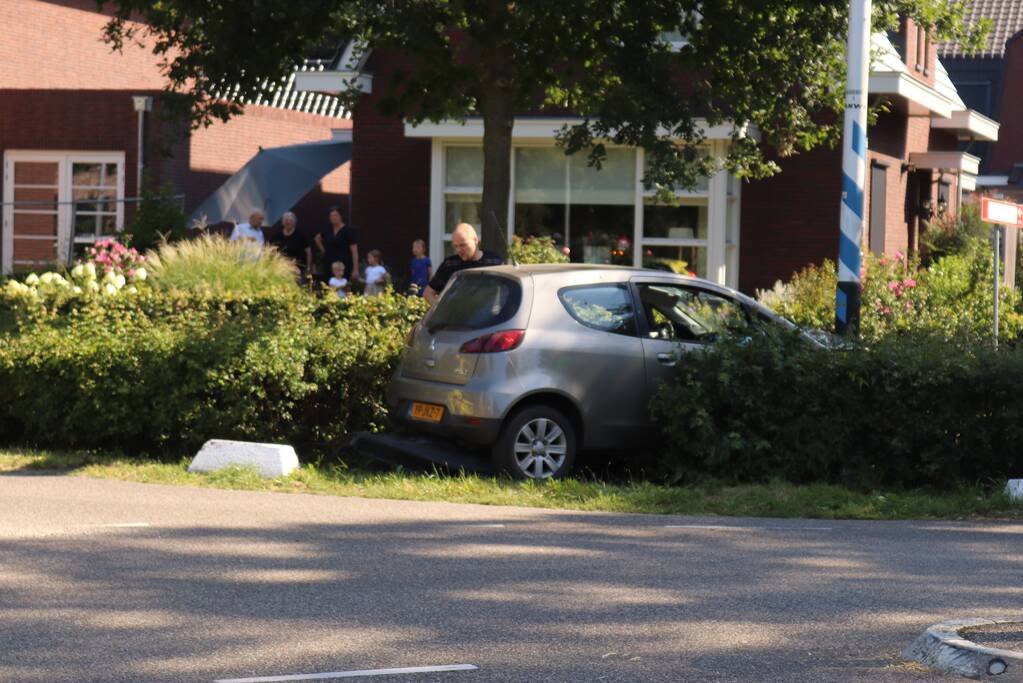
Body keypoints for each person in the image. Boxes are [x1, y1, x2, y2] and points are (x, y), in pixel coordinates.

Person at [424, 222, 504, 305]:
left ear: (475, 240)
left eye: (463, 245)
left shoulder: (494, 262)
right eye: (455, 246)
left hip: (488, 315)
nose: (458, 250)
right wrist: (443, 311)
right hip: (458, 316)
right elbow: (428, 293)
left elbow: (507, 291)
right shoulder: (450, 264)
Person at [314, 206, 358, 285]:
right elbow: (317, 238)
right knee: (329, 286)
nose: (333, 218)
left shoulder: (348, 231)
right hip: (329, 264)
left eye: (336, 215)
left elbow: (354, 251)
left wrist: (355, 269)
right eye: (331, 216)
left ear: (341, 216)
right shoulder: (328, 230)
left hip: (343, 265)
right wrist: (324, 251)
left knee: (342, 288)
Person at [267, 211, 312, 280]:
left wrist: (308, 267)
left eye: (290, 220)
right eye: (286, 220)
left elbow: (308, 251)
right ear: (283, 222)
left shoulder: (300, 235)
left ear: (294, 223)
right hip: (280, 269)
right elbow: (270, 249)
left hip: (296, 269)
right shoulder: (277, 235)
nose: (288, 222)